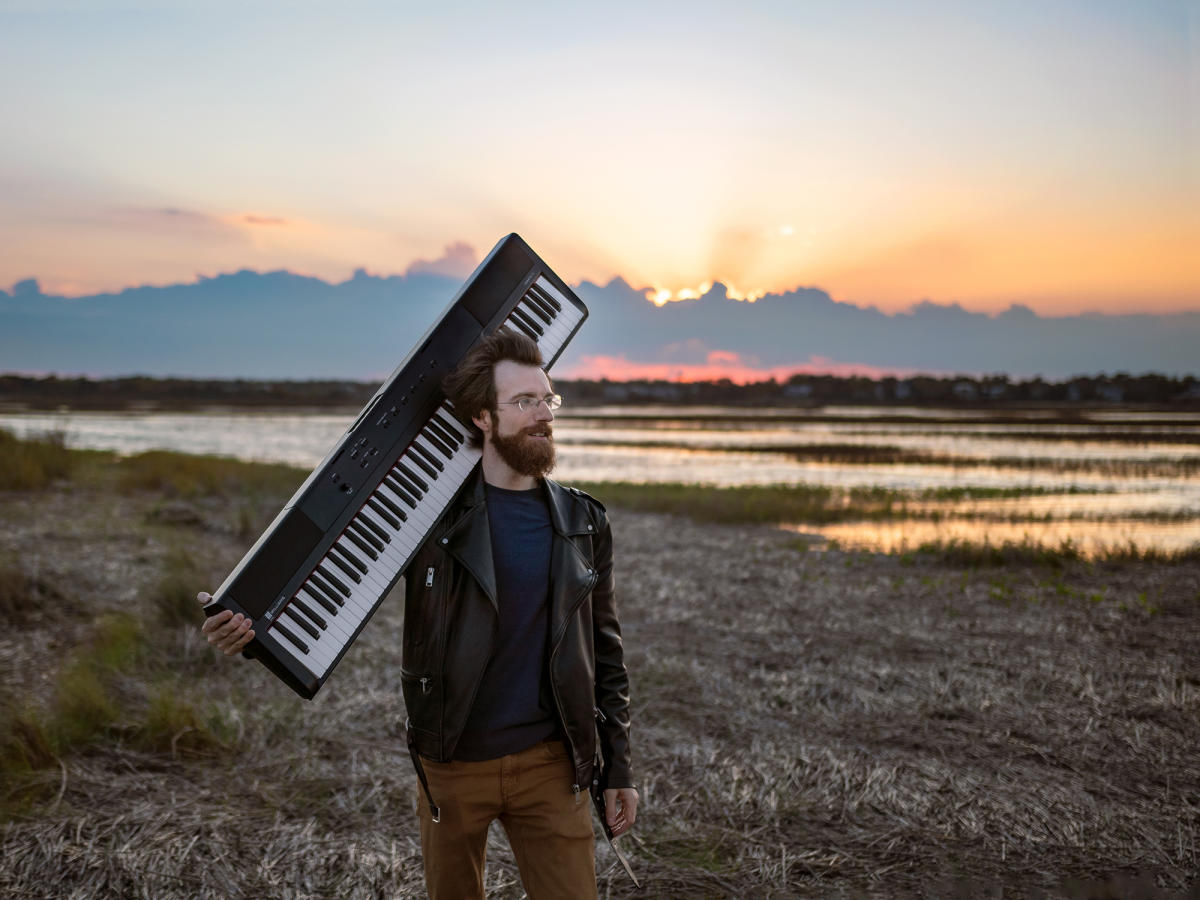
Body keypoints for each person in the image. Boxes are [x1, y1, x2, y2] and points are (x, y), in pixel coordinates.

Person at [198, 328, 637, 899]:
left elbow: (607, 651)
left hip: (552, 767)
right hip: (452, 765)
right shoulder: (426, 523)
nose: (542, 415)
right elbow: (326, 572)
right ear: (483, 417)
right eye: (524, 402)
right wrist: (248, 623)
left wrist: (618, 766)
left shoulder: (584, 522)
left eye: (546, 399)